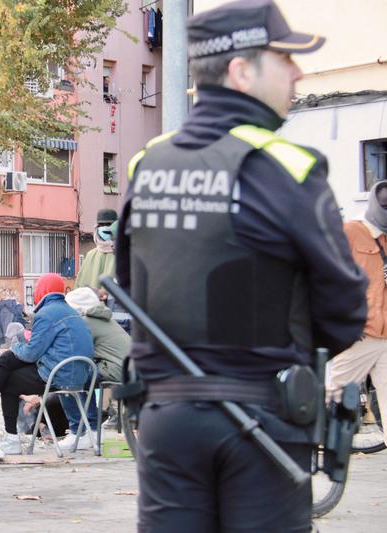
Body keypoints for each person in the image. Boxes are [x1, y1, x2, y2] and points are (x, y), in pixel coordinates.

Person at [117, 1, 368, 530]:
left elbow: (130, 284)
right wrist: (280, 352)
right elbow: (345, 307)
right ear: (240, 71)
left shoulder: (147, 164)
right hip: (263, 419)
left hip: (165, 419)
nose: (297, 71)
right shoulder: (287, 166)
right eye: (284, 58)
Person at [0, 273, 94, 454]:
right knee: (7, 360)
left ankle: (6, 433)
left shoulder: (46, 314)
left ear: (42, 291)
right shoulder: (72, 312)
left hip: (58, 375)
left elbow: (30, 353)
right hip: (79, 374)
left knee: (9, 380)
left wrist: (16, 344)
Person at [328, 182, 387, 448]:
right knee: (337, 393)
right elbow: (329, 278)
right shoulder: (351, 231)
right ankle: (323, 443)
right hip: (360, 332)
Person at [57, 287, 131, 451]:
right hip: (126, 367)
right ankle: (90, 429)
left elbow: (76, 351)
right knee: (80, 377)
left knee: (67, 377)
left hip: (115, 368)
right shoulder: (101, 319)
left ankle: (81, 431)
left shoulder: (85, 322)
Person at [74, 208, 117, 291]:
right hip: (92, 303)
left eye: (109, 225)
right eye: (101, 225)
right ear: (96, 227)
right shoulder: (90, 255)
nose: (105, 228)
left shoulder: (124, 255)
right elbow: (79, 286)